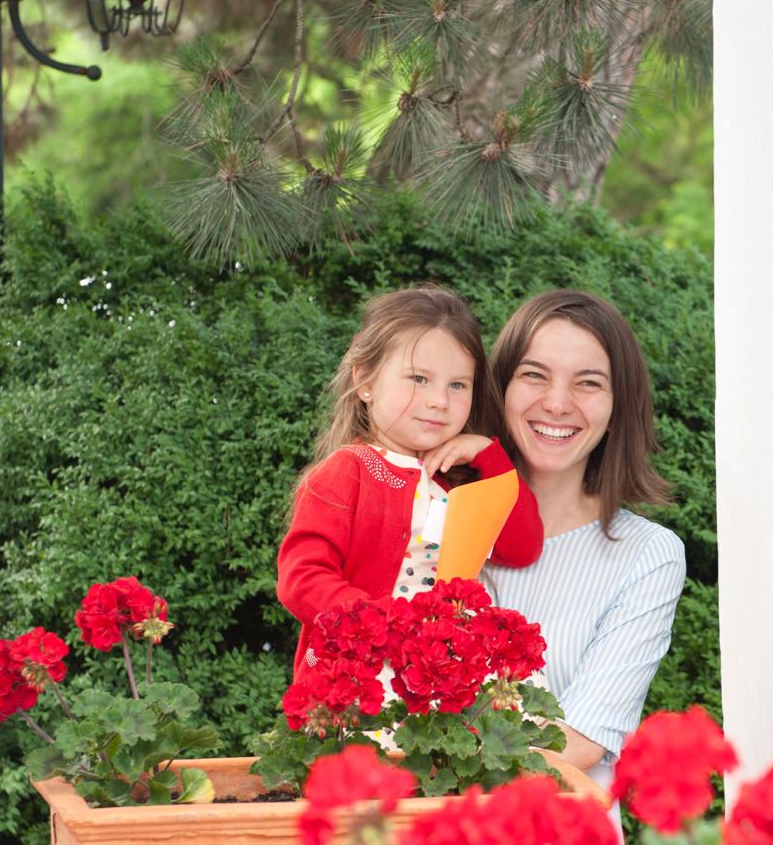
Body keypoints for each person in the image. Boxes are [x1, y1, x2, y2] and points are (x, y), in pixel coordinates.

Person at [277, 284, 543, 679]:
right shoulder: (347, 472)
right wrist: (385, 625)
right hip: (366, 669)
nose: (440, 400)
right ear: (365, 380)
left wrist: (491, 457)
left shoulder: (459, 482)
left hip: (446, 671)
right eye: (419, 378)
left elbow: (522, 547)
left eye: (458, 385)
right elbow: (302, 578)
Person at [484, 290, 686, 788]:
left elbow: (577, 742)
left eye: (588, 383)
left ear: (618, 407)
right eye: (534, 374)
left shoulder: (647, 556)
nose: (556, 403)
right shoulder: (439, 523)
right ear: (500, 389)